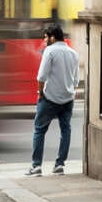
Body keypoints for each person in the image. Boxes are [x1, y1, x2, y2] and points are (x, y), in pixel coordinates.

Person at [27, 24, 81, 177]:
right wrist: (71, 92)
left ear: (52, 37)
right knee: (66, 130)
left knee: (39, 130)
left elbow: (41, 76)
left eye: (45, 37)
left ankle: (36, 166)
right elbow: (76, 79)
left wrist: (41, 94)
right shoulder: (73, 53)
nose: (44, 41)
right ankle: (59, 165)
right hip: (68, 98)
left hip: (49, 98)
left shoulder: (50, 51)